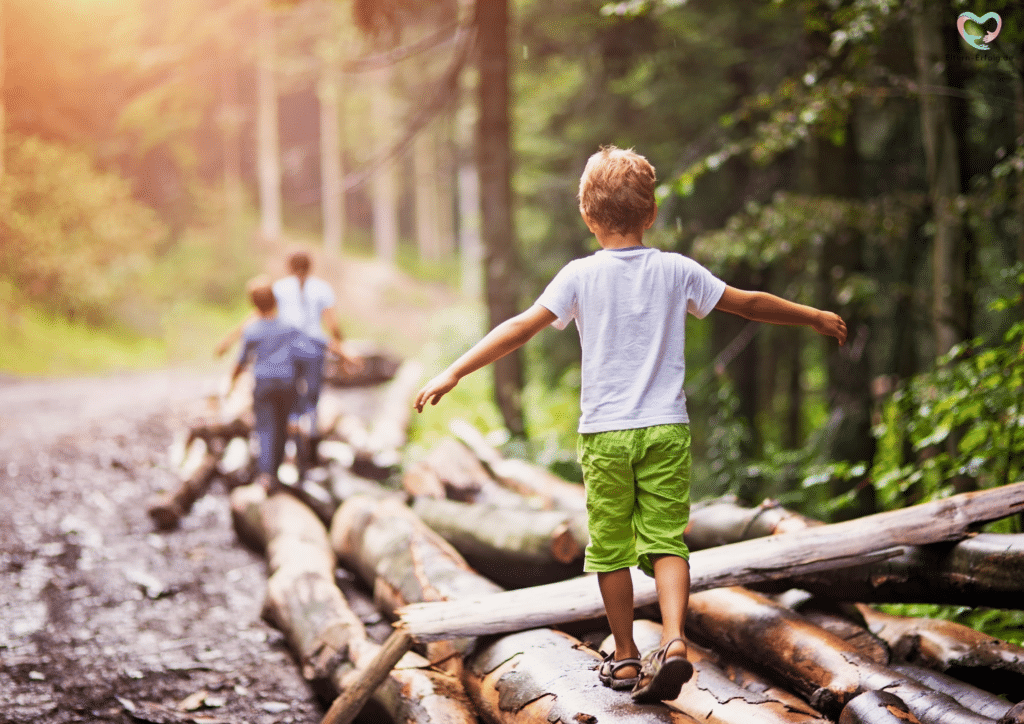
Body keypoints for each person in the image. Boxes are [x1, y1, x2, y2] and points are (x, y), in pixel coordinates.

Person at [413, 146, 847, 703]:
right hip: (665, 428)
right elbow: (748, 302)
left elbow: (520, 327)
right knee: (667, 542)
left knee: (612, 548)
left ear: (587, 217)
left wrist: (453, 370)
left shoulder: (579, 276)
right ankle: (672, 640)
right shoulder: (675, 270)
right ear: (651, 214)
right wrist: (809, 315)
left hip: (605, 435)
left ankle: (623, 657)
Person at [217, 248, 357, 469]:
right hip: (312, 349)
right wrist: (342, 350)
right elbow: (333, 325)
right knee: (310, 399)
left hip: (286, 350)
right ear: (311, 266)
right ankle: (308, 446)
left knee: (288, 400)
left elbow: (258, 316)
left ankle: (288, 442)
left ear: (288, 266)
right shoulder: (322, 288)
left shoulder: (279, 289)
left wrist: (229, 340)